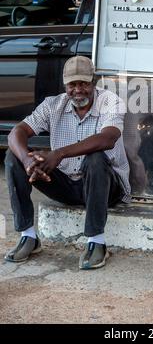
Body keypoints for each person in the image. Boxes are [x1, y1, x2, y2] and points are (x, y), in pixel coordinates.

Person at [4, 56, 131, 270]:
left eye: (84, 83)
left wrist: (58, 154)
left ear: (94, 82)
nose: (78, 90)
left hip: (106, 186)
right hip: (67, 185)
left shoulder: (110, 101)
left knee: (96, 157)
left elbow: (108, 138)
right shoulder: (53, 105)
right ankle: (28, 236)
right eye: (72, 84)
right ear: (65, 85)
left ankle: (96, 242)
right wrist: (27, 161)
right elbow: (17, 132)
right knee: (13, 156)